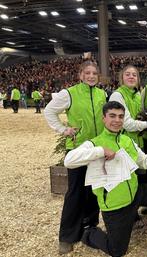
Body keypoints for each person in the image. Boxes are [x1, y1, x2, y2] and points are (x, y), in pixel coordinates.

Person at [64, 101, 147, 257]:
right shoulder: (93, 143)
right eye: (112, 116)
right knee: (117, 251)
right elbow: (69, 161)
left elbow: (145, 162)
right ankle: (88, 232)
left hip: (136, 193)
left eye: (120, 116)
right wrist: (100, 151)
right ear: (103, 118)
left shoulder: (127, 140)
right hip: (116, 206)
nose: (117, 120)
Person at [44, 61, 107, 254]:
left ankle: (89, 227)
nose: (91, 76)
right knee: (75, 193)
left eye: (94, 73)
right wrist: (63, 129)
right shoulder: (68, 93)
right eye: (87, 73)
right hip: (78, 151)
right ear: (80, 75)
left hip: (96, 150)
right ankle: (67, 236)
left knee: (94, 190)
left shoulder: (101, 94)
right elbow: (49, 111)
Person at [109, 65, 147, 151]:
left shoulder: (138, 95)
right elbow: (127, 124)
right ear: (122, 78)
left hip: (138, 143)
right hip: (122, 145)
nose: (131, 77)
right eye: (127, 74)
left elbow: (142, 114)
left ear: (138, 79)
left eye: (134, 75)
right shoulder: (117, 96)